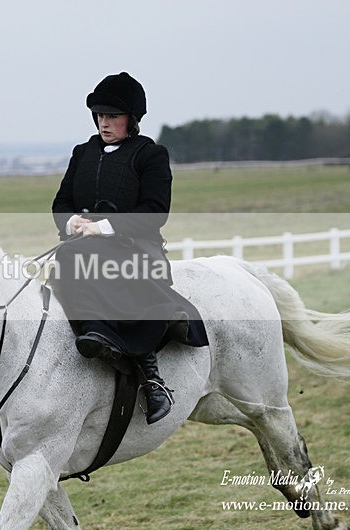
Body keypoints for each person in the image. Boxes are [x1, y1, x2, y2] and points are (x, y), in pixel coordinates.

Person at [51, 72, 208, 424]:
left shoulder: (150, 154)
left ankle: (152, 378)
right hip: (83, 246)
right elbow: (61, 202)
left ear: (131, 119)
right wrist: (72, 222)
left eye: (112, 116)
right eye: (99, 115)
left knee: (73, 257)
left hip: (135, 247)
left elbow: (156, 211)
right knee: (68, 260)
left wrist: (103, 227)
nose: (104, 123)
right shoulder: (82, 153)